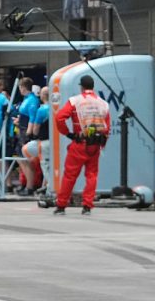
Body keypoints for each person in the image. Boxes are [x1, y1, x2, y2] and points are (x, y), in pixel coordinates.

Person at [54, 75, 110, 216]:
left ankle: (61, 206)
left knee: (70, 175)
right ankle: (87, 206)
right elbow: (106, 127)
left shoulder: (75, 101)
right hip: (95, 145)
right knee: (92, 175)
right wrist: (102, 144)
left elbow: (59, 117)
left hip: (79, 143)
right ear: (93, 86)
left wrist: (68, 134)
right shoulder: (103, 103)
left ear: (81, 87)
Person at [21, 87, 50, 196]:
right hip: (57, 141)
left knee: (45, 166)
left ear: (42, 96)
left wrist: (32, 134)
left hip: (44, 142)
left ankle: (50, 189)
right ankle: (46, 186)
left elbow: (35, 129)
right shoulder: (57, 107)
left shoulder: (42, 110)